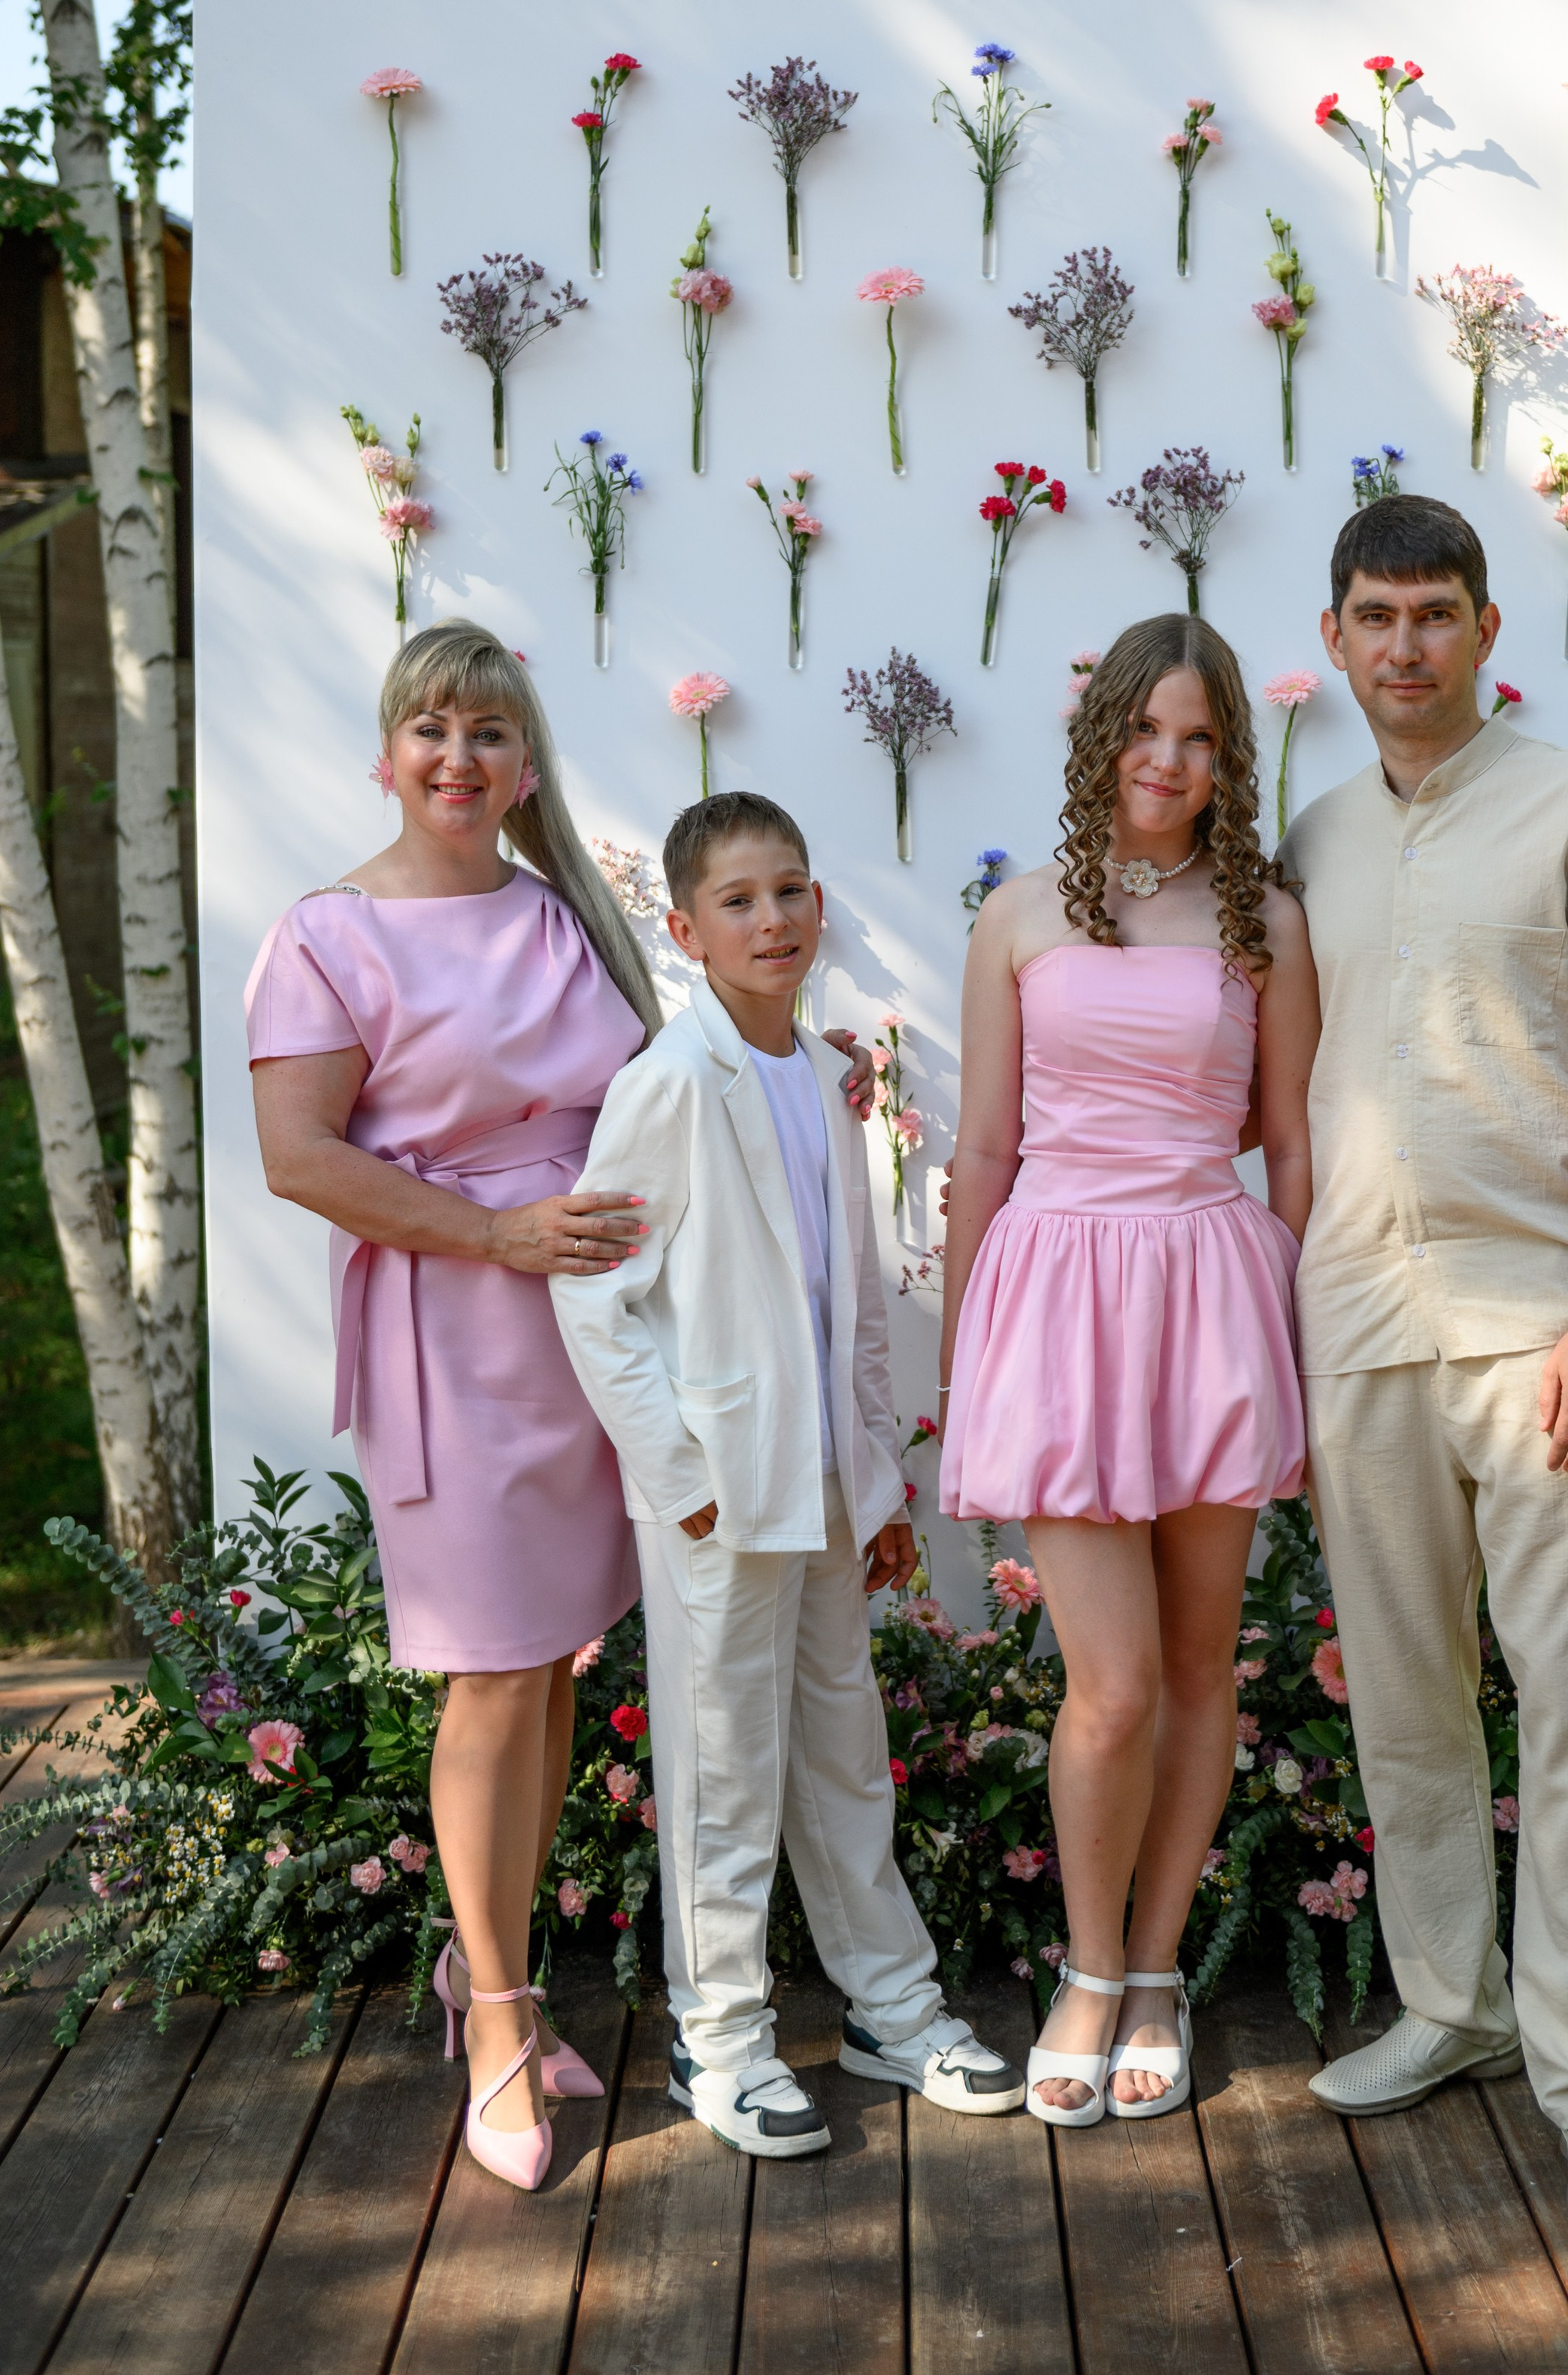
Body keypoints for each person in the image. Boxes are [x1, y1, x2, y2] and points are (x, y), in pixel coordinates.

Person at [247, 626, 874, 2194]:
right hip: (455, 1324)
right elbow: (300, 1159)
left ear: (526, 766)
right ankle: (498, 2023)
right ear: (387, 751)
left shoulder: (562, 916)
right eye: (428, 729)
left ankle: (491, 1965)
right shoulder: (323, 933)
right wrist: (496, 1238)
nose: (458, 757)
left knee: (556, 1668)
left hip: (599, 1339)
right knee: (489, 1673)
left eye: (490, 733)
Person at [1280, 496, 1568, 2249]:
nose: (1403, 645)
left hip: (1541, 1322)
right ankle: (1450, 2008)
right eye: (1373, 616)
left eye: (1433, 614)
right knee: (1403, 1701)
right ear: (1334, 639)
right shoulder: (1314, 837)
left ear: (1482, 628)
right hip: (1360, 1324)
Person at [552, 790, 1023, 2155]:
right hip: (720, 1488)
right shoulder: (666, 1085)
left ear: (821, 908)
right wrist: (679, 1470)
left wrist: (874, 1485)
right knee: (722, 1769)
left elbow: (851, 1301)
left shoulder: (825, 1075)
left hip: (821, 1485)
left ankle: (889, 2005)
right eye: (741, 900)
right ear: (689, 927)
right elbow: (598, 1296)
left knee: (842, 1750)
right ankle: (723, 2042)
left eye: (793, 891)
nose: (773, 919)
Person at [939, 616, 1316, 2125]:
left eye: (1200, 739)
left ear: (1229, 758)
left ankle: (1156, 1966)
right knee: (1105, 1688)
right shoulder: (1019, 916)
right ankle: (1086, 1970)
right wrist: (972, 1348)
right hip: (1054, 1293)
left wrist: (1287, 1316)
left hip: (1208, 1289)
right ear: (1097, 737)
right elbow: (980, 1146)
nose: (1167, 763)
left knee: (1193, 1668)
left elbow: (1286, 1142)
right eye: (1144, 731)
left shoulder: (1265, 925)